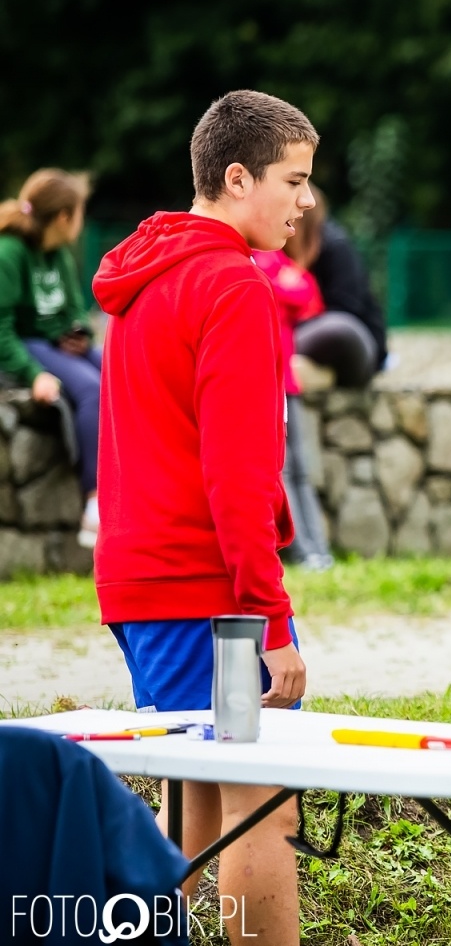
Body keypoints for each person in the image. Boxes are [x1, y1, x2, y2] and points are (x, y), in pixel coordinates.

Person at [92, 89, 315, 946]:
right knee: (262, 805)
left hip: (139, 584)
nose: (303, 202)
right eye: (292, 181)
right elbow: (239, 478)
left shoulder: (143, 280)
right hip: (207, 593)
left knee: (194, 793)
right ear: (235, 177)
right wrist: (271, 619)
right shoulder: (230, 284)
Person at [0, 169, 102, 546]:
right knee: (91, 390)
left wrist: (81, 334)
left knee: (118, 371)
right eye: (79, 212)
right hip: (27, 345)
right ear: (63, 217)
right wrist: (33, 375)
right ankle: (93, 505)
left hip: (57, 343)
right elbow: (2, 328)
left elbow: (75, 309)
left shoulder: (58, 254)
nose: (81, 220)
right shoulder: (9, 252)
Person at [255, 246, 335, 570]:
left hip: (288, 383)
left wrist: (285, 285)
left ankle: (319, 548)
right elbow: (273, 290)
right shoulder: (253, 259)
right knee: (283, 470)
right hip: (266, 384)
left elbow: (309, 297)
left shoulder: (275, 258)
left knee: (302, 469)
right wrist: (284, 285)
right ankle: (302, 550)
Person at [285, 186, 387, 388]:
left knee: (338, 328)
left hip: (357, 347)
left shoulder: (335, 247)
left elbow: (346, 310)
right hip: (310, 339)